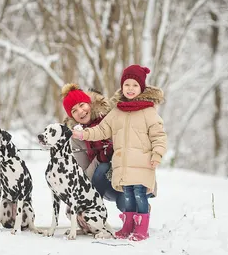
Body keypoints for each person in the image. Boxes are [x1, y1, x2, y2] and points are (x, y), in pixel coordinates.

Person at [71, 65, 167, 241]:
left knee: (138, 195)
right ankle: (127, 226)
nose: (130, 89)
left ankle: (142, 228)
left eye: (135, 85)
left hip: (141, 165)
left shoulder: (148, 112)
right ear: (122, 87)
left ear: (142, 88)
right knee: (129, 197)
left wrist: (157, 155)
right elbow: (101, 130)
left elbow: (159, 136)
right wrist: (83, 134)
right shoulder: (117, 112)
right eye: (127, 85)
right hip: (122, 168)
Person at [61, 83, 125, 211]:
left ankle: (138, 210)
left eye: (82, 105)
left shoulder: (111, 117)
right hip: (105, 184)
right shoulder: (76, 138)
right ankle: (93, 213)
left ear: (89, 103)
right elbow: (85, 176)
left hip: (128, 177)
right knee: (102, 167)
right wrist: (100, 158)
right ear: (72, 116)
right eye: (74, 111)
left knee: (126, 203)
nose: (80, 112)